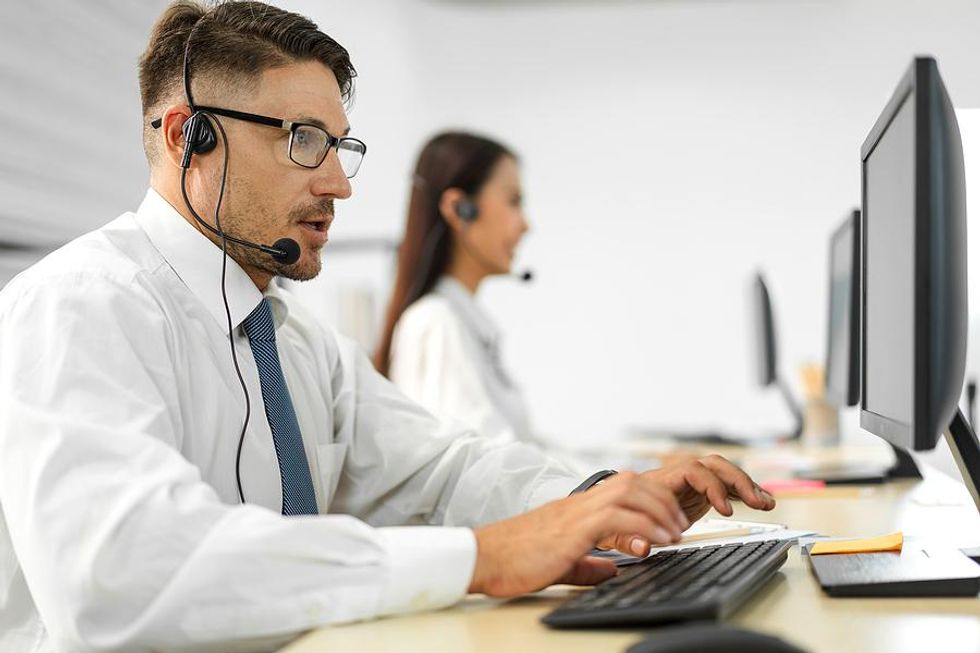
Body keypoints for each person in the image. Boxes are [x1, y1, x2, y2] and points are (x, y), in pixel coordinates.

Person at [0, 2, 776, 651]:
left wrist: (600, 497)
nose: (337, 183)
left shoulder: (293, 338)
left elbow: (441, 473)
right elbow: (119, 573)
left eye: (340, 148)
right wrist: (482, 558)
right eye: (303, 140)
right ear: (187, 138)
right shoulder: (78, 307)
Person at [375, 132, 542, 449]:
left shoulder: (457, 320)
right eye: (514, 201)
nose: (525, 225)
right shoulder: (437, 321)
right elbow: (488, 469)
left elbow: (524, 451)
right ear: (460, 208)